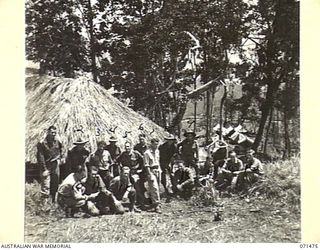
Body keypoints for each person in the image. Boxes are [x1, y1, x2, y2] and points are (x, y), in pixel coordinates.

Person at [58, 165, 124, 217]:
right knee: (95, 212)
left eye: (95, 174)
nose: (94, 176)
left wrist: (114, 199)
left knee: (120, 210)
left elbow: (103, 189)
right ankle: (73, 210)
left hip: (94, 198)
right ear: (89, 174)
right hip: (72, 198)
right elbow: (77, 196)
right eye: (93, 174)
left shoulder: (97, 178)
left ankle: (106, 207)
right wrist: (89, 197)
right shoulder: (80, 181)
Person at [37, 125, 63, 202]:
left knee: (55, 184)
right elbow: (40, 157)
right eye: (52, 132)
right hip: (46, 166)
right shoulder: (42, 143)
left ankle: (53, 202)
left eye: (55, 133)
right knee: (46, 185)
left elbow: (61, 150)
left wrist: (60, 158)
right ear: (48, 132)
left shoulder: (57, 141)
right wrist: (44, 169)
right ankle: (44, 206)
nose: (54, 134)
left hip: (55, 165)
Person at [116, 141, 145, 206]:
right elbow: (117, 161)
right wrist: (120, 169)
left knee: (137, 185)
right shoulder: (123, 154)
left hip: (134, 172)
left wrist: (141, 169)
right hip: (126, 173)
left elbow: (143, 161)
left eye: (128, 146)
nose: (127, 148)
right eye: (126, 146)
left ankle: (141, 202)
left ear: (131, 146)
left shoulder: (136, 153)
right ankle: (129, 202)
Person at [144, 138, 162, 213]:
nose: (156, 146)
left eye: (157, 144)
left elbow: (158, 161)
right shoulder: (147, 153)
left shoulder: (157, 151)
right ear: (151, 144)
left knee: (158, 187)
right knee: (154, 188)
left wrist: (160, 170)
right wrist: (149, 174)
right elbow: (146, 165)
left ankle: (156, 202)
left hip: (158, 170)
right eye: (155, 144)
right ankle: (156, 205)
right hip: (151, 171)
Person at [159, 132, 177, 200]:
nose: (170, 141)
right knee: (164, 174)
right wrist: (167, 165)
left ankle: (174, 188)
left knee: (172, 175)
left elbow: (176, 153)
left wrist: (173, 157)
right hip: (163, 161)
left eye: (171, 140)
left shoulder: (174, 146)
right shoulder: (163, 146)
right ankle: (166, 189)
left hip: (170, 161)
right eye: (169, 140)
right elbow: (161, 157)